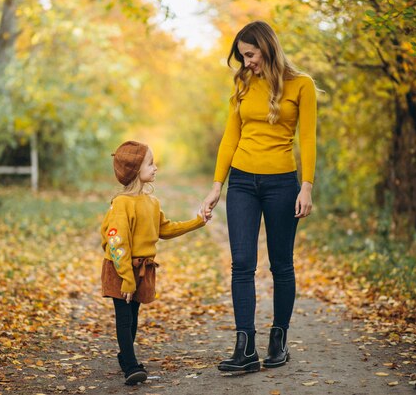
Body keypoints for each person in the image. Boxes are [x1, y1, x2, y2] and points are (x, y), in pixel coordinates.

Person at [201, 21, 317, 373]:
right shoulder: (242, 83)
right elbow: (229, 137)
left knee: (281, 264)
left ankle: (278, 340)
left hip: (282, 183)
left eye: (249, 54)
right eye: (242, 56)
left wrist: (307, 186)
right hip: (241, 183)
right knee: (241, 263)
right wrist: (216, 186)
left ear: (266, 47)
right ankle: (245, 347)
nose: (247, 62)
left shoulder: (302, 85)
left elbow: (308, 139)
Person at [101, 140, 206, 385]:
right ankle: (130, 364)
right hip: (120, 268)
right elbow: (116, 242)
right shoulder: (122, 204)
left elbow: (165, 228)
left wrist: (197, 221)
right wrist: (126, 277)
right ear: (136, 170)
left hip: (141, 269)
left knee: (134, 316)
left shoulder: (151, 202)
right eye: (150, 163)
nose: (156, 167)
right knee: (124, 317)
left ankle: (125, 355)